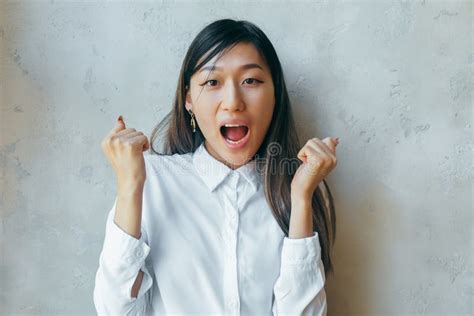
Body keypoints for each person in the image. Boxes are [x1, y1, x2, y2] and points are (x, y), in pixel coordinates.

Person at [94, 18, 338, 315]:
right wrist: (130, 185)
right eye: (212, 82)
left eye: (251, 81)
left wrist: (300, 198)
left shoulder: (301, 187)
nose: (233, 102)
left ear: (275, 95)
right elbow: (115, 311)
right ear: (188, 100)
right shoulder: (151, 181)